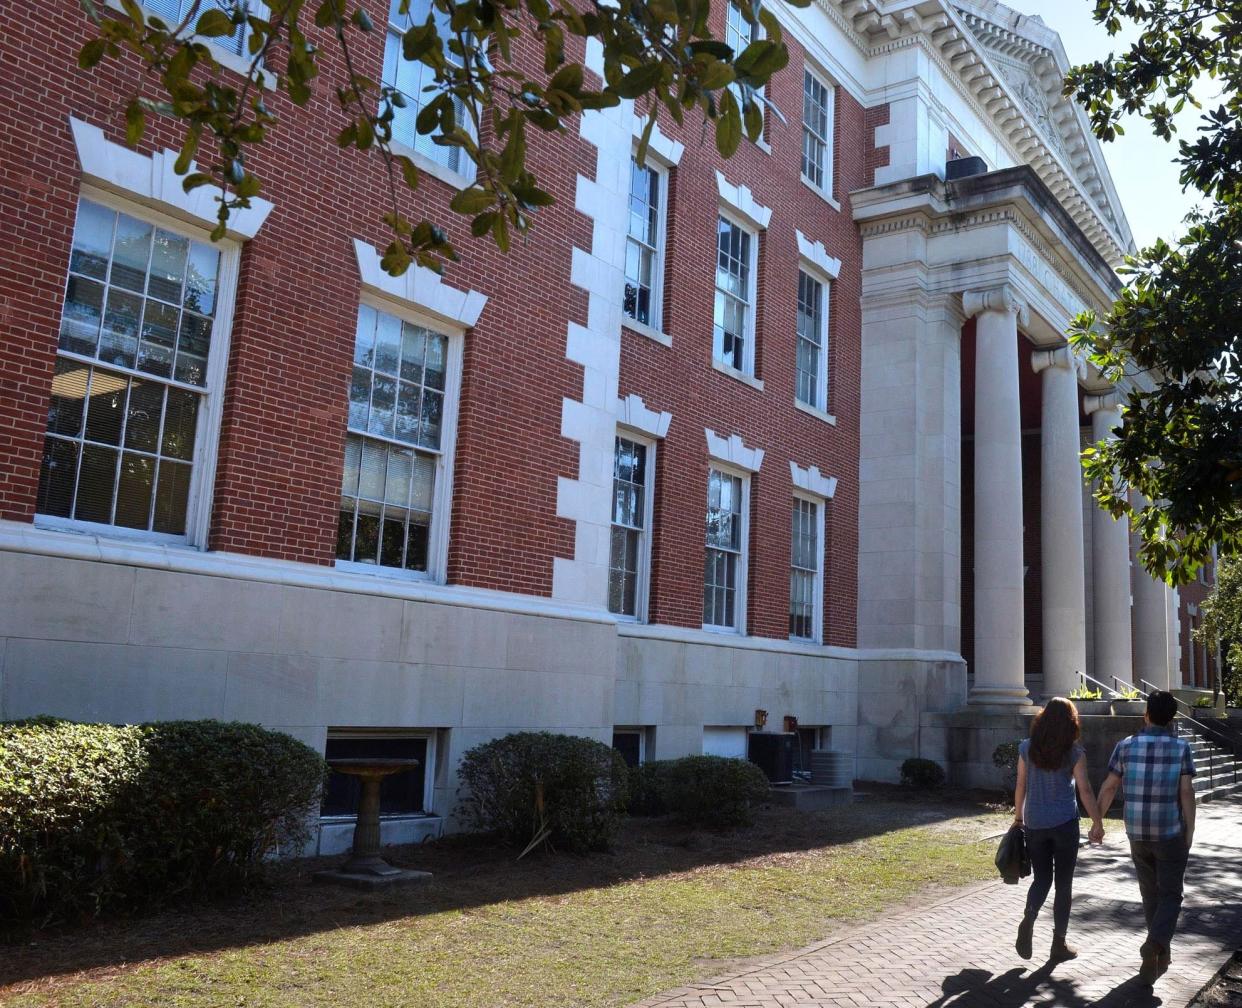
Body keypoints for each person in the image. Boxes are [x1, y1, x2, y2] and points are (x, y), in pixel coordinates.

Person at [1096, 690, 1196, 985]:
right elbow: (1187, 792)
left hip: (1136, 831)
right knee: (1171, 894)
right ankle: (1155, 944)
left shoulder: (1125, 746)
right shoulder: (1181, 748)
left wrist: (1097, 822)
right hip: (1169, 831)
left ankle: (1159, 953)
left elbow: (1109, 786)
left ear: (1146, 714)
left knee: (1150, 894)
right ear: (1172, 719)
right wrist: (1190, 829)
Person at [1012, 697, 1105, 963]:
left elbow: (1021, 786)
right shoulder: (1074, 751)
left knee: (1041, 879)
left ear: (1042, 719)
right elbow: (1085, 789)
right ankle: (1058, 943)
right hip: (1065, 823)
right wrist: (1096, 822)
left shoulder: (1026, 748)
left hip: (1035, 823)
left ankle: (1029, 917)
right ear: (1071, 722)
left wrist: (1018, 817)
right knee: (1063, 885)